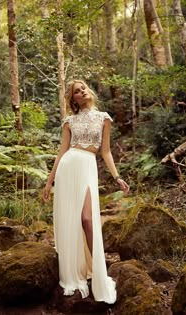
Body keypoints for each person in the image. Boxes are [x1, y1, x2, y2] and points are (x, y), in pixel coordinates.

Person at [43, 79, 129, 304]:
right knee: (72, 221)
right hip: (67, 168)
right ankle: (76, 272)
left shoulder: (104, 118)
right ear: (74, 100)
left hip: (87, 166)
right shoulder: (69, 122)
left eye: (83, 88)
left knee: (87, 219)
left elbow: (106, 152)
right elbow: (61, 153)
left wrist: (117, 177)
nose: (82, 91)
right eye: (77, 91)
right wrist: (48, 182)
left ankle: (99, 273)